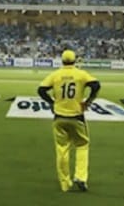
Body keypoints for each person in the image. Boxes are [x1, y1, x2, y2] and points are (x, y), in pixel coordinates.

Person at [37, 49, 101, 193]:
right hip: (77, 116)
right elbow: (96, 85)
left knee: (62, 149)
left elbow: (41, 90)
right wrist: (88, 101)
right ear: (75, 60)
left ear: (62, 60)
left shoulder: (56, 74)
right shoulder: (81, 74)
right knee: (82, 145)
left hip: (59, 117)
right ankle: (81, 176)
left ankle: (65, 183)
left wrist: (51, 102)